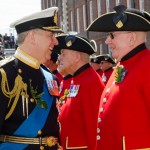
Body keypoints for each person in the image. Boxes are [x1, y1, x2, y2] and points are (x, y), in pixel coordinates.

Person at [87, 4, 150, 150]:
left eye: (112, 35)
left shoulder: (147, 65)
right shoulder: (121, 66)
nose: (108, 41)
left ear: (131, 38)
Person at [0, 7, 63, 150]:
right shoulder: (4, 75)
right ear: (32, 37)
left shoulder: (51, 78)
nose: (56, 42)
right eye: (51, 35)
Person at [53, 34, 105, 150]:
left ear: (77, 57)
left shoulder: (90, 82)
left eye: (63, 54)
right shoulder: (77, 78)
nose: (59, 58)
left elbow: (94, 128)